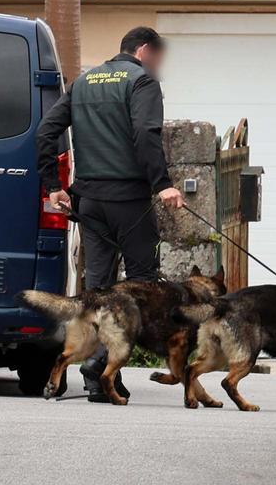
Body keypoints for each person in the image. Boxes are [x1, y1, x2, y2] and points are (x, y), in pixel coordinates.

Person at [35, 26, 184, 402]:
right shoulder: (142, 82)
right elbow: (146, 133)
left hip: (90, 201)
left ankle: (91, 368)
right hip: (130, 200)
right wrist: (161, 183)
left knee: (97, 290)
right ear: (145, 50)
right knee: (139, 288)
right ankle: (101, 368)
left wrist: (54, 184)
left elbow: (45, 132)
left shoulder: (84, 82)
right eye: (159, 56)